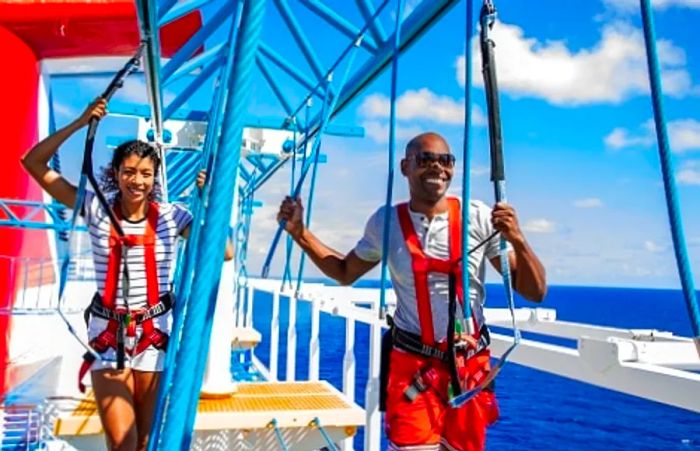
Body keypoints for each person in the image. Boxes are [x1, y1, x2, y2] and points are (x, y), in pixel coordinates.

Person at [277, 132, 546, 451]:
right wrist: (300, 233)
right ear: (405, 167)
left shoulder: (476, 217)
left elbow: (535, 291)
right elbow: (345, 271)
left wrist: (518, 239)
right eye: (425, 159)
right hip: (414, 370)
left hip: (468, 369)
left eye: (445, 161)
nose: (437, 168)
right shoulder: (386, 224)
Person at [22, 98, 234, 451]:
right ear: (117, 173)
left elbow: (223, 253)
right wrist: (80, 121)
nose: (137, 180)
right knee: (122, 442)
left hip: (154, 335)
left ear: (154, 179)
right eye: (130, 172)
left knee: (146, 442)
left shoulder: (172, 216)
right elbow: (33, 162)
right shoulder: (94, 207)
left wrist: (207, 200)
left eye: (146, 173)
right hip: (109, 336)